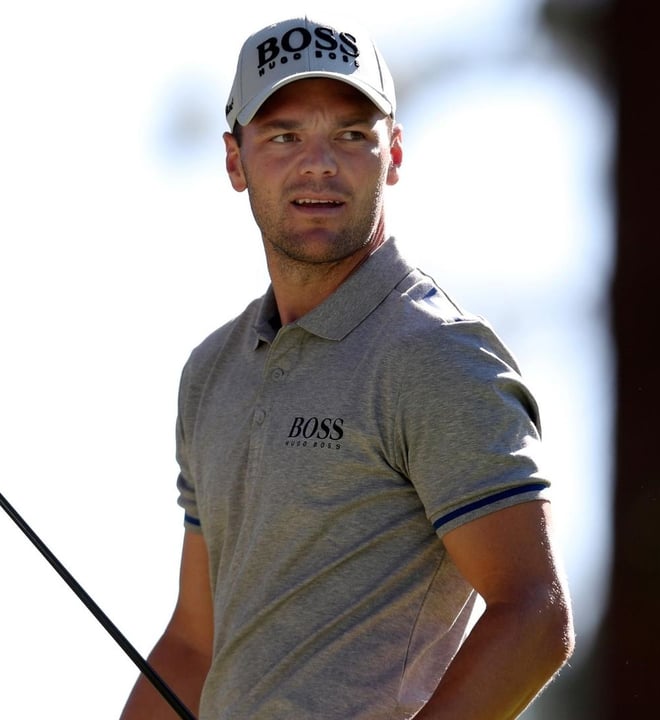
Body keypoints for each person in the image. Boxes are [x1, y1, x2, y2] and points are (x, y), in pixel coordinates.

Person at [122, 16, 574, 720]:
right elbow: (193, 644)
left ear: (392, 154)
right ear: (235, 161)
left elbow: (536, 617)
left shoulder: (434, 354)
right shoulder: (212, 371)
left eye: (352, 135)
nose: (320, 164)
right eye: (283, 136)